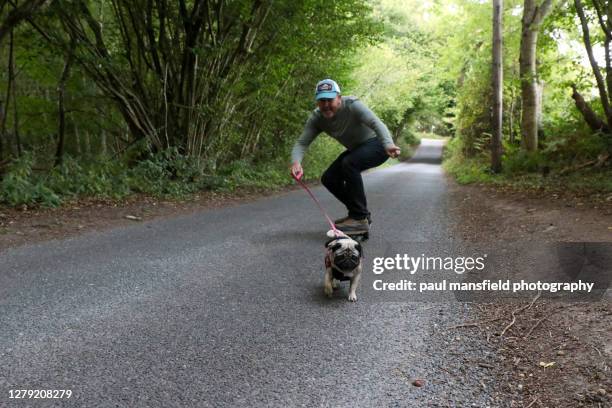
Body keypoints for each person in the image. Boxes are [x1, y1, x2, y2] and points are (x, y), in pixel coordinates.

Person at [291, 79, 400, 234]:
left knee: (349, 163)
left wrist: (388, 144)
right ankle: (359, 215)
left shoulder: (352, 105)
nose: (326, 105)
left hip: (378, 145)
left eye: (330, 100)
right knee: (329, 178)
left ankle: (359, 217)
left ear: (339, 98)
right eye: (322, 101)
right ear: (317, 102)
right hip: (357, 150)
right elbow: (302, 143)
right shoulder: (317, 118)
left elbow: (376, 123)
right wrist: (296, 163)